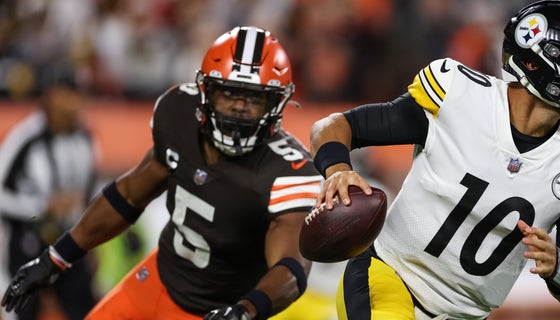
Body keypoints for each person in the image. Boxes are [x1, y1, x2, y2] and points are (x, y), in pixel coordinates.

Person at [309, 1, 560, 319]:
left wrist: (559, 267)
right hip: (389, 278)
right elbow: (334, 126)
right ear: (534, 63)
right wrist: (337, 171)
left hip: (465, 314)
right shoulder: (458, 96)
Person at [1, 25, 323, 320]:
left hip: (215, 313)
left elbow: (291, 269)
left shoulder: (288, 171)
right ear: (206, 91)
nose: (239, 107)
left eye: (254, 98)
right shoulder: (178, 113)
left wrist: (245, 312)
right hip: (154, 281)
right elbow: (128, 195)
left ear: (276, 104)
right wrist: (56, 257)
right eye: (228, 92)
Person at [0, 69, 98, 320]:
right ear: (53, 95)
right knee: (21, 311)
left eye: (80, 95)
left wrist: (91, 245)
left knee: (86, 311)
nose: (76, 103)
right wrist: (41, 206)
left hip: (68, 241)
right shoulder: (25, 138)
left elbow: (88, 196)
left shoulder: (86, 139)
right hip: (26, 242)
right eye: (70, 95)